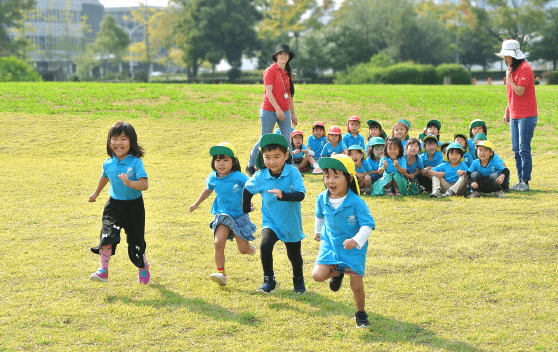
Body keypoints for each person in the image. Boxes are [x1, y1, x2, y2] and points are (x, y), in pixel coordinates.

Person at [312, 154, 375, 328]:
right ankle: (338, 271)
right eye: (327, 175)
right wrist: (317, 231)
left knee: (356, 285)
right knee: (317, 276)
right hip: (330, 244)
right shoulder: (321, 198)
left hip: (353, 249)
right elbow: (319, 216)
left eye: (336, 176)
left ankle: (360, 313)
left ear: (348, 178)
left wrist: (356, 240)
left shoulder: (356, 202)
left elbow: (368, 225)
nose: (330, 181)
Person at [243, 134, 306, 294]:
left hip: (291, 222)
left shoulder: (293, 172)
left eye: (277, 156)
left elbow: (301, 195)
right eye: (267, 157)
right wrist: (245, 208)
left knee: (294, 256)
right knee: (265, 246)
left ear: (286, 155)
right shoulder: (260, 176)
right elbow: (247, 189)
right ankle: (268, 281)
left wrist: (283, 195)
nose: (272, 161)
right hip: (270, 221)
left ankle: (298, 281)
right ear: (262, 157)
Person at [88, 122, 150, 284]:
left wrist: (130, 183)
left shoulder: (136, 162)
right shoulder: (108, 163)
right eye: (114, 138)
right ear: (109, 142)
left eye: (123, 138)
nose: (118, 143)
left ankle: (142, 266)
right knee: (106, 236)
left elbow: (144, 185)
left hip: (134, 207)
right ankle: (103, 270)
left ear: (131, 142)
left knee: (136, 242)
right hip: (113, 206)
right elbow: (105, 177)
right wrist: (95, 194)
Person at [189, 143, 257, 287]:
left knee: (243, 250)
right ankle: (222, 273)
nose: (221, 164)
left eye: (226, 160)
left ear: (234, 162)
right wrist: (196, 204)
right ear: (213, 162)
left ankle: (249, 248)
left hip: (239, 216)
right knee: (218, 243)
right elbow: (207, 190)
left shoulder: (238, 177)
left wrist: (248, 203)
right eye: (218, 160)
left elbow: (252, 187)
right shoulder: (213, 178)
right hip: (222, 216)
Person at [246, 44, 298, 176]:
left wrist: (292, 113)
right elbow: (268, 93)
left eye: (286, 54)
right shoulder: (270, 71)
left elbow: (290, 95)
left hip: (285, 110)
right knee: (264, 139)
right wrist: (278, 110)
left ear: (288, 57)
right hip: (269, 110)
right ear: (276, 56)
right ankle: (251, 165)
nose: (283, 56)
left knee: (287, 140)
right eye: (281, 54)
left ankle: (290, 168)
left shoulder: (288, 73)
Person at [497, 39, 538, 192]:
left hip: (527, 115)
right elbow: (511, 95)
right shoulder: (511, 69)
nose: (505, 58)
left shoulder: (525, 69)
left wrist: (508, 78)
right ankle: (520, 180)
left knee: (523, 149)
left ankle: (525, 182)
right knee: (516, 149)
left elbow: (519, 91)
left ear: (515, 55)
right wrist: (507, 111)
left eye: (507, 55)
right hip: (515, 115)